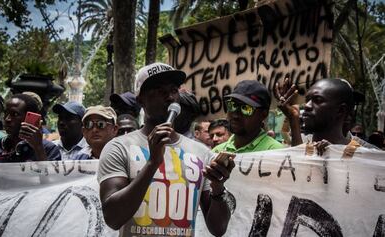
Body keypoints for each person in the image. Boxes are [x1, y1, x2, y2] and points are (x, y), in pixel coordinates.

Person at [98, 62, 235, 237]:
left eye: (173, 90)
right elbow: (113, 218)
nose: (170, 97)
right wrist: (152, 163)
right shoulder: (118, 148)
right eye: (160, 91)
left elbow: (218, 229)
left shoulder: (201, 153)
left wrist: (218, 188)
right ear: (140, 99)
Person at [213, 80, 284, 153]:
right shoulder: (216, 152)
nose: (235, 115)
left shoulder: (275, 151)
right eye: (232, 105)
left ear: (263, 115)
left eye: (246, 109)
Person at [0, 94, 61, 162]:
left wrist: (38, 148)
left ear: (29, 119)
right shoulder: (0, 149)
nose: (7, 119)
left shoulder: (49, 149)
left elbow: (51, 174)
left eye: (15, 114)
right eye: (6, 113)